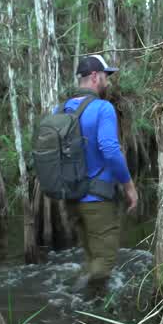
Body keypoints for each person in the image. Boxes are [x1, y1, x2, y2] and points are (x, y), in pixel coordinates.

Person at [64, 54, 138, 293]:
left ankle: (87, 301)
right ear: (95, 76)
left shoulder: (62, 108)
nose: (108, 82)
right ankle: (80, 301)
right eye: (106, 76)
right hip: (98, 201)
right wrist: (129, 186)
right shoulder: (103, 108)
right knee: (104, 262)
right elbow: (109, 149)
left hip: (72, 199)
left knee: (91, 257)